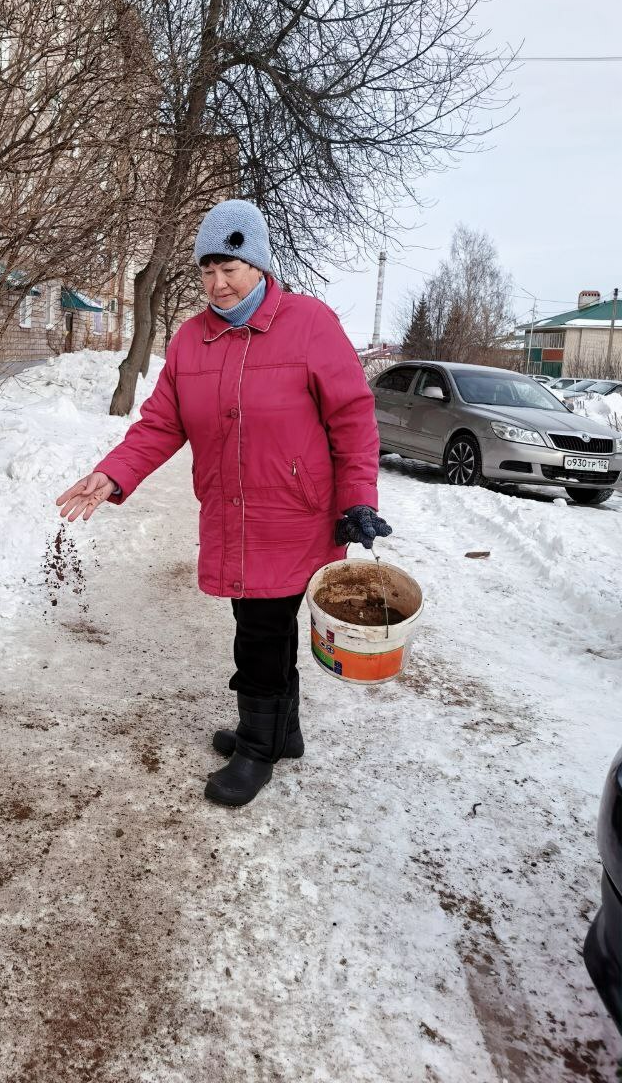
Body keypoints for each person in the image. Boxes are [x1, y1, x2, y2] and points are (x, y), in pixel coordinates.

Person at [56, 199, 391, 807]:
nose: (217, 283)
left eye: (230, 268)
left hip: (298, 514)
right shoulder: (191, 340)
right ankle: (281, 731)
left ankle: (257, 749)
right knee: (262, 625)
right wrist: (111, 476)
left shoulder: (310, 324)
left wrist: (358, 499)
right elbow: (161, 424)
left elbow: (352, 419)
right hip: (231, 512)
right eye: (207, 270)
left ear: (259, 264)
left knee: (260, 633)